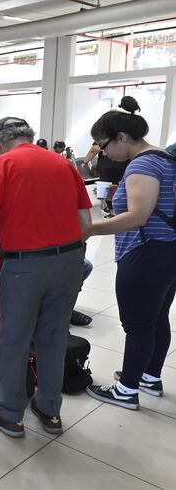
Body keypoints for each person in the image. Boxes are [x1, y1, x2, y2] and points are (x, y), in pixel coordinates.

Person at [0, 116, 91, 437]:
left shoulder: (0, 165)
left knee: (14, 338)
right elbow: (85, 221)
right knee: (53, 337)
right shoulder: (64, 164)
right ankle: (50, 410)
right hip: (69, 261)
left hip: (24, 264)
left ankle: (10, 413)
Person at [83, 97, 176, 410]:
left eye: (104, 144)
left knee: (137, 325)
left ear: (122, 137)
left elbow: (138, 216)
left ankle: (126, 390)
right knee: (156, 317)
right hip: (167, 250)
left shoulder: (144, 163)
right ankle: (149, 376)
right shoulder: (165, 157)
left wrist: (90, 229)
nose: (104, 152)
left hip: (145, 251)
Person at [83, 140, 129, 218]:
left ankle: (112, 211)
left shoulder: (104, 135)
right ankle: (121, 210)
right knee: (122, 187)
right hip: (125, 165)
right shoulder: (125, 137)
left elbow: (94, 149)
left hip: (108, 166)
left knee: (108, 188)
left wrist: (85, 162)